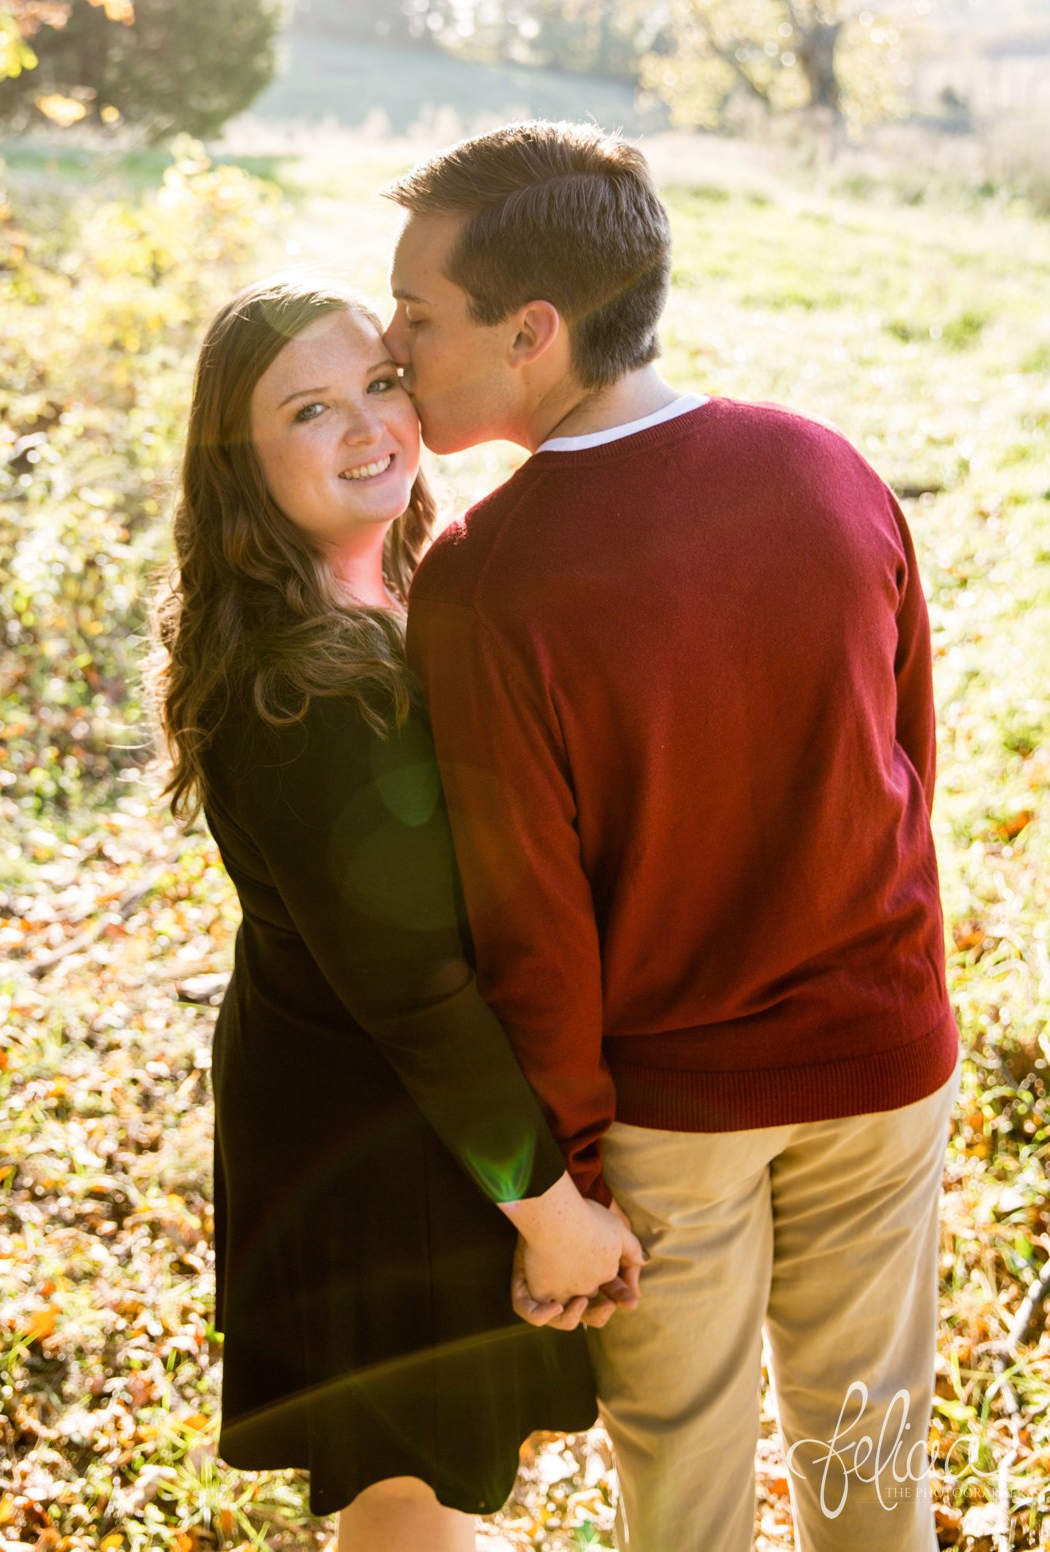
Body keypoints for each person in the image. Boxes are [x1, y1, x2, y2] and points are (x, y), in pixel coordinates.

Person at [382, 121, 962, 1552]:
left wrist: (563, 1173)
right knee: (870, 1460)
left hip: (673, 1118)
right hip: (883, 1062)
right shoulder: (825, 466)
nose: (392, 349)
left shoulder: (486, 579)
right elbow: (907, 759)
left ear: (530, 332)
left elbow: (531, 921)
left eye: (414, 314)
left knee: (685, 1494)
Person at [151, 279, 643, 1552]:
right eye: (311, 408)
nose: (369, 422)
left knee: (430, 1487)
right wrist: (551, 1213)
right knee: (404, 1495)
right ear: (241, 461)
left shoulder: (388, 595)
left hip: (402, 1116)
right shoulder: (296, 688)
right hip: (366, 1142)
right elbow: (417, 992)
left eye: (379, 381)